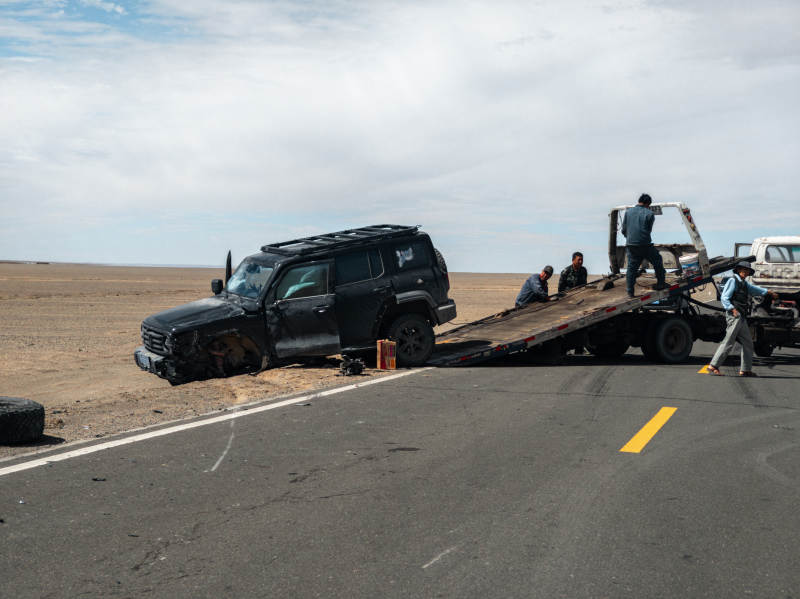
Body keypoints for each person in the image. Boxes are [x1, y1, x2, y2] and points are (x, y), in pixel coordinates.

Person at [708, 261, 778, 376]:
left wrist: (768, 292)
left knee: (748, 343)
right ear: (738, 270)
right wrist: (732, 309)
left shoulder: (744, 284)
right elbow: (724, 298)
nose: (746, 272)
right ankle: (713, 365)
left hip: (741, 317)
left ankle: (745, 369)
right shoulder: (733, 281)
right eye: (744, 270)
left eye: (747, 271)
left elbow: (755, 289)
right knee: (728, 341)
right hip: (734, 316)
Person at [621, 193, 666, 298]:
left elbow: (624, 230)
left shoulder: (628, 212)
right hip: (645, 245)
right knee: (657, 261)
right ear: (648, 204)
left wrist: (631, 238)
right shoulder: (649, 214)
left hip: (631, 245)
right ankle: (660, 284)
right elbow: (648, 231)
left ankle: (630, 292)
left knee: (631, 268)